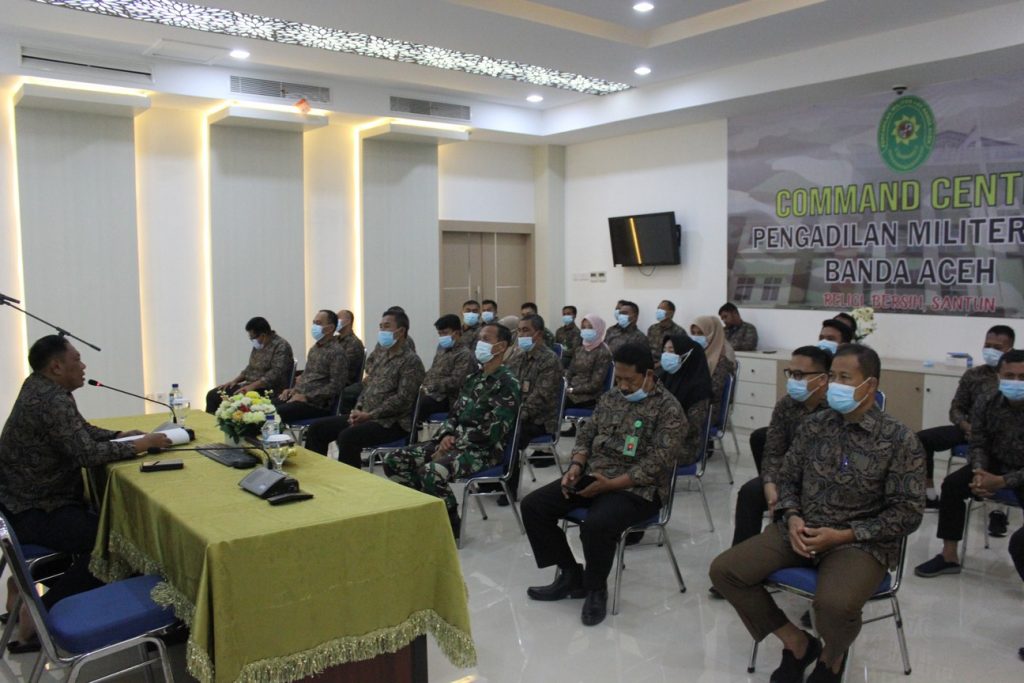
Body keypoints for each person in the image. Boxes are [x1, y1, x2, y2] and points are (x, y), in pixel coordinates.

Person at [710, 344, 925, 683]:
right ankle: (797, 644)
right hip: (800, 529)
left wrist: (845, 534)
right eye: (832, 376)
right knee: (726, 572)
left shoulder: (899, 440)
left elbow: (908, 512)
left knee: (834, 605)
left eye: (845, 378)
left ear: (870, 384)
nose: (834, 385)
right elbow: (787, 478)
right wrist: (792, 515)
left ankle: (832, 657)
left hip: (858, 543)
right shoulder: (814, 426)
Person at [0, 336, 171, 629]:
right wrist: (141, 445)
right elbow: (86, 454)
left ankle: (24, 585)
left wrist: (118, 436)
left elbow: (79, 431)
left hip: (19, 501)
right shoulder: (52, 400)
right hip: (35, 510)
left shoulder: (39, 386)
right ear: (56, 366)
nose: (83, 366)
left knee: (99, 523)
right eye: (77, 359)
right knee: (114, 541)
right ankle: (40, 613)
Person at [522, 343, 686, 627]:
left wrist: (610, 485)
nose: (622, 386)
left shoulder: (669, 410)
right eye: (618, 378)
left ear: (648, 375)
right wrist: (576, 465)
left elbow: (656, 463)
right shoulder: (611, 398)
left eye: (629, 380)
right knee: (534, 506)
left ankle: (596, 589)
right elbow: (586, 434)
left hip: (639, 489)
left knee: (596, 525)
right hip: (595, 476)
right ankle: (571, 575)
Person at [384, 322, 519, 540]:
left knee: (431, 472)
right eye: (479, 339)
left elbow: (493, 431)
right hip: (454, 443)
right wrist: (446, 436)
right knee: (394, 460)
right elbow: (453, 415)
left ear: (501, 346)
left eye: (486, 339)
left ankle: (450, 523)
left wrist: (453, 443)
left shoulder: (507, 383)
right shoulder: (473, 379)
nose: (479, 343)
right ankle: (428, 509)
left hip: (482, 451)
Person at [914, 349, 1024, 578]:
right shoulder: (987, 401)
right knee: (953, 485)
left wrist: (1002, 481)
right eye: (1009, 376)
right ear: (998, 377)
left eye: (1022, 377)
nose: (1016, 382)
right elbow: (978, 442)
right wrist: (979, 472)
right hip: (995, 463)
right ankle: (949, 556)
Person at [731, 346, 832, 547]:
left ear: (822, 379)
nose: (793, 380)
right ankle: (742, 552)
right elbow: (773, 451)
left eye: (799, 375)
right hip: (788, 477)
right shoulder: (786, 404)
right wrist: (770, 485)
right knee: (750, 492)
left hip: (823, 484)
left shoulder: (835, 409)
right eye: (790, 373)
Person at [303, 310, 425, 465]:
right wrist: (358, 410)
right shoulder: (382, 357)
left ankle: (350, 479)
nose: (382, 331)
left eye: (387, 327)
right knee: (317, 429)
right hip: (366, 416)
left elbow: (402, 400)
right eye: (380, 327)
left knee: (348, 437)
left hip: (391, 423)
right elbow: (367, 388)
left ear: (400, 331)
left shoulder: (411, 362)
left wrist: (370, 415)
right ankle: (316, 473)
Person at [915, 325, 1013, 510]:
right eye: (987, 345)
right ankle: (929, 494)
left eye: (997, 347)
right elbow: (956, 408)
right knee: (921, 439)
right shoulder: (974, 375)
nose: (990, 350)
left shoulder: (1014, 378)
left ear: (1009, 349)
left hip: (999, 439)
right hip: (968, 429)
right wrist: (965, 425)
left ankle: (996, 509)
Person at [504, 314, 563, 500]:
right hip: (517, 414)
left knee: (511, 433)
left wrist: (514, 415)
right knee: (491, 426)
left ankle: (509, 487)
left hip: (540, 419)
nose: (521, 335)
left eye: (525, 330)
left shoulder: (549, 360)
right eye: (519, 331)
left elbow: (541, 398)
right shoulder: (518, 357)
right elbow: (506, 385)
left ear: (538, 334)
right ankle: (491, 481)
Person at [205, 316, 294, 414]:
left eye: (253, 337)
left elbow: (275, 374)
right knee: (213, 395)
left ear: (263, 335)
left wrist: (252, 386)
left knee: (234, 400)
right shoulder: (259, 345)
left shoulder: (281, 346)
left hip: (268, 390)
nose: (252, 340)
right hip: (250, 386)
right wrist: (234, 381)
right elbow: (250, 367)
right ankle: (212, 423)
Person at [275, 310, 350, 423]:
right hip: (299, 397)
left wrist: (307, 397)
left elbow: (336, 386)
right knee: (266, 406)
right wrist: (293, 390)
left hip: (316, 404)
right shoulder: (314, 349)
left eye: (318, 323)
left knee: (274, 413)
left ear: (330, 328)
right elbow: (307, 376)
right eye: (313, 323)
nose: (314, 326)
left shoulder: (337, 352)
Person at [658, 333, 712, 466]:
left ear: (686, 355)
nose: (666, 355)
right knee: (627, 446)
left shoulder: (699, 388)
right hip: (658, 436)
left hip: (684, 445)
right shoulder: (664, 377)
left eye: (671, 351)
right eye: (664, 350)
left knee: (644, 453)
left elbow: (691, 428)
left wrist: (659, 432)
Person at [420, 314, 478, 417]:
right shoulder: (442, 350)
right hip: (434, 395)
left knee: (421, 405)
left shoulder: (464, 354)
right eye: (440, 334)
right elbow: (432, 371)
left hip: (451, 399)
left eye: (445, 333)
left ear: (457, 332)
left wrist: (432, 385)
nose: (442, 337)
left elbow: (456, 382)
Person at [691, 315, 736, 411]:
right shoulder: (696, 353)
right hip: (694, 401)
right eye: (693, 333)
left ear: (711, 333)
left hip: (709, 407)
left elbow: (715, 391)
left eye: (700, 333)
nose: (696, 337)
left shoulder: (724, 358)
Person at [334, 308, 366, 387]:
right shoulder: (334, 340)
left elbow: (342, 367)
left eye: (338, 318)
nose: (334, 321)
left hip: (342, 383)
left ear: (348, 321)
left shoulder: (354, 343)